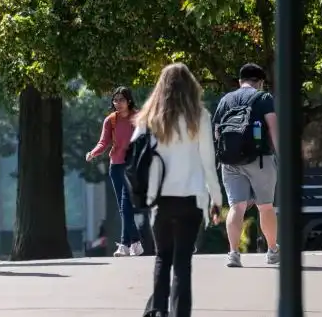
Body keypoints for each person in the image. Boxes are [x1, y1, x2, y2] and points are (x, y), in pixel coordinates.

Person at [133, 63, 222, 317]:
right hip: (192, 198)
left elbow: (136, 157)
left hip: (159, 199)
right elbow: (208, 161)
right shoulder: (200, 116)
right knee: (183, 262)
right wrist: (216, 199)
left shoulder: (148, 118)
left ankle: (158, 311)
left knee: (162, 257)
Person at [212, 63, 279, 268]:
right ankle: (272, 251)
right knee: (265, 206)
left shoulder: (225, 100)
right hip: (259, 158)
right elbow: (274, 128)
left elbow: (216, 132)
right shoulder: (264, 98)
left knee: (236, 206)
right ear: (260, 82)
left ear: (240, 81)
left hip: (229, 161)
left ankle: (233, 253)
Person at [86, 86, 143, 256]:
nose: (118, 103)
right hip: (116, 166)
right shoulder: (110, 120)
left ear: (129, 101)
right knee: (123, 206)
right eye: (115, 100)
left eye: (122, 100)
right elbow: (103, 142)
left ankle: (124, 245)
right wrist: (93, 153)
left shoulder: (138, 118)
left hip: (132, 166)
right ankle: (136, 242)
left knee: (125, 203)